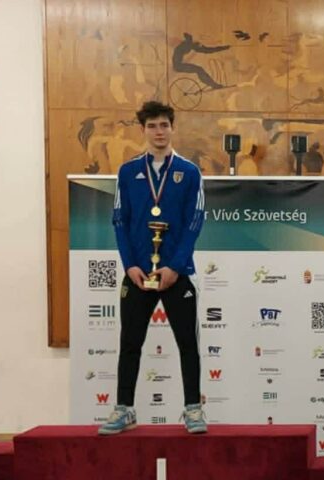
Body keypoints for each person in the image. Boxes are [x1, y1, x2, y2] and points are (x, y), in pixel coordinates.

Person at [99, 101, 207, 435]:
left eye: (164, 125)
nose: (159, 132)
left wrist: (174, 267)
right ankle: (124, 408)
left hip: (176, 273)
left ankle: (193, 408)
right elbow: (120, 220)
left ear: (172, 127)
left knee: (187, 343)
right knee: (130, 343)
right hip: (138, 274)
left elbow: (194, 221)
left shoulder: (189, 172)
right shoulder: (127, 171)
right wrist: (130, 265)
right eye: (152, 126)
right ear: (142, 130)